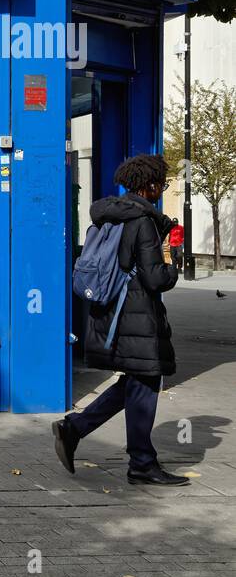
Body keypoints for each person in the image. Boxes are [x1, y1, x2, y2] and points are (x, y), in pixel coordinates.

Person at [53, 154, 189, 486]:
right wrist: (174, 259)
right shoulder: (141, 221)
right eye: (162, 183)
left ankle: (75, 428)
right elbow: (156, 279)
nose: (162, 188)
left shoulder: (111, 215)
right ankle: (141, 463)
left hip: (114, 313)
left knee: (133, 383)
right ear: (151, 184)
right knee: (144, 382)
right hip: (137, 318)